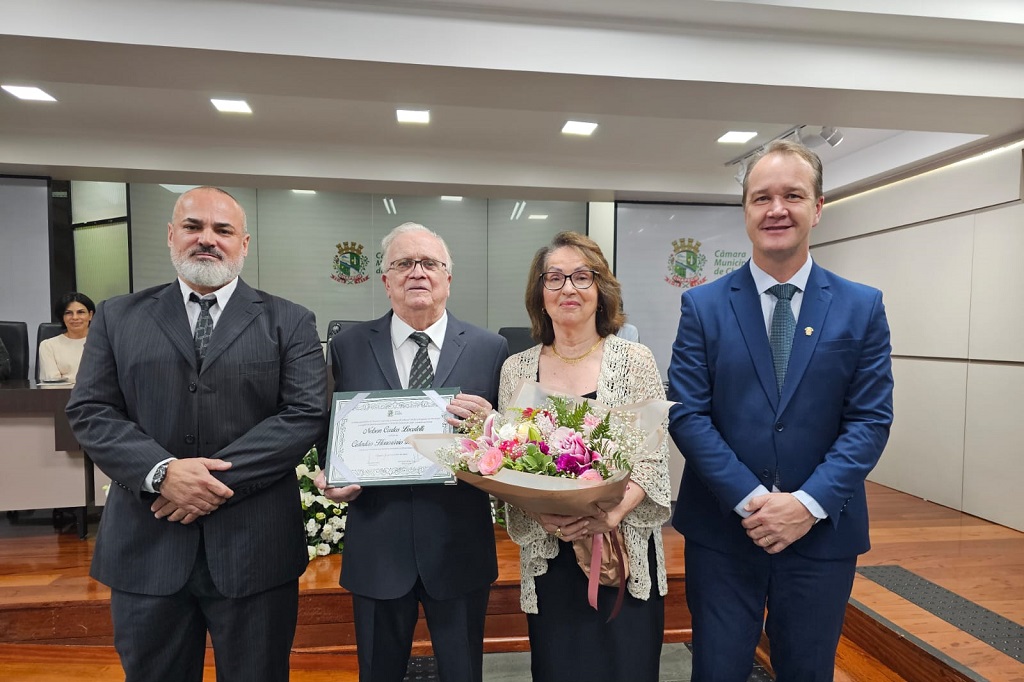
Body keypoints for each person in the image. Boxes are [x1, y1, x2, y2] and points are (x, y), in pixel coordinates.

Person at [66, 186, 327, 682]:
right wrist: (162, 473)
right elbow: (92, 411)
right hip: (147, 548)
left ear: (244, 244)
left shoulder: (289, 320)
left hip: (256, 551)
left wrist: (204, 483)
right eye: (193, 227)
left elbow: (304, 414)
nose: (207, 239)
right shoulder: (119, 317)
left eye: (222, 230)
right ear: (171, 236)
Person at [668, 140, 894, 681]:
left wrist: (806, 504)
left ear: (817, 207)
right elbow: (688, 414)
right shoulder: (702, 306)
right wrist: (752, 501)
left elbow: (870, 420)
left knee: (808, 671)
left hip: (822, 531)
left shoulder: (862, 307)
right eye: (761, 197)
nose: (776, 209)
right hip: (724, 533)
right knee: (717, 670)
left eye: (793, 195)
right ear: (745, 210)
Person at [315, 222, 509, 682]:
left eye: (429, 263)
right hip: (377, 546)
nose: (417, 272)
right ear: (386, 280)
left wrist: (492, 428)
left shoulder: (490, 348)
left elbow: (509, 444)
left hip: (459, 545)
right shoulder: (346, 346)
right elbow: (329, 429)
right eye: (403, 264)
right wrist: (330, 473)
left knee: (463, 673)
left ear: (448, 277)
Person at [498, 231, 671, 682]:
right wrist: (544, 513)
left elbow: (653, 457)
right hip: (550, 552)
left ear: (602, 290)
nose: (567, 289)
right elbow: (505, 462)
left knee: (627, 666)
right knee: (559, 667)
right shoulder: (515, 368)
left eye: (581, 276)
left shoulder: (635, 360)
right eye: (554, 278)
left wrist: (609, 517)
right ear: (539, 293)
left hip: (622, 550)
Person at [39, 291, 95, 383]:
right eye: (68, 313)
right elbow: (53, 383)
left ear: (90, 315)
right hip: (61, 396)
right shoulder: (48, 346)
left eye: (80, 312)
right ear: (62, 317)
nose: (75, 317)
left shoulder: (105, 343)